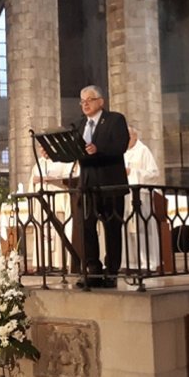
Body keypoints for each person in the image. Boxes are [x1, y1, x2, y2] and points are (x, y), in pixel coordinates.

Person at [75, 85, 130, 288]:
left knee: (112, 227)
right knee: (86, 227)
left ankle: (112, 272)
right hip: (87, 185)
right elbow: (75, 152)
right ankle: (93, 270)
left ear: (101, 101)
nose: (85, 104)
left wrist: (99, 149)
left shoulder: (115, 120)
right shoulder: (80, 125)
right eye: (82, 101)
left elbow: (120, 145)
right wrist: (56, 152)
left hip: (110, 182)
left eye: (89, 99)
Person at [123, 127, 162, 273]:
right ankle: (131, 262)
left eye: (128, 136)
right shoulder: (121, 153)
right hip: (125, 195)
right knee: (127, 229)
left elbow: (154, 174)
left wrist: (132, 172)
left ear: (134, 136)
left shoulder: (143, 151)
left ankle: (148, 262)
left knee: (142, 229)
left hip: (141, 196)